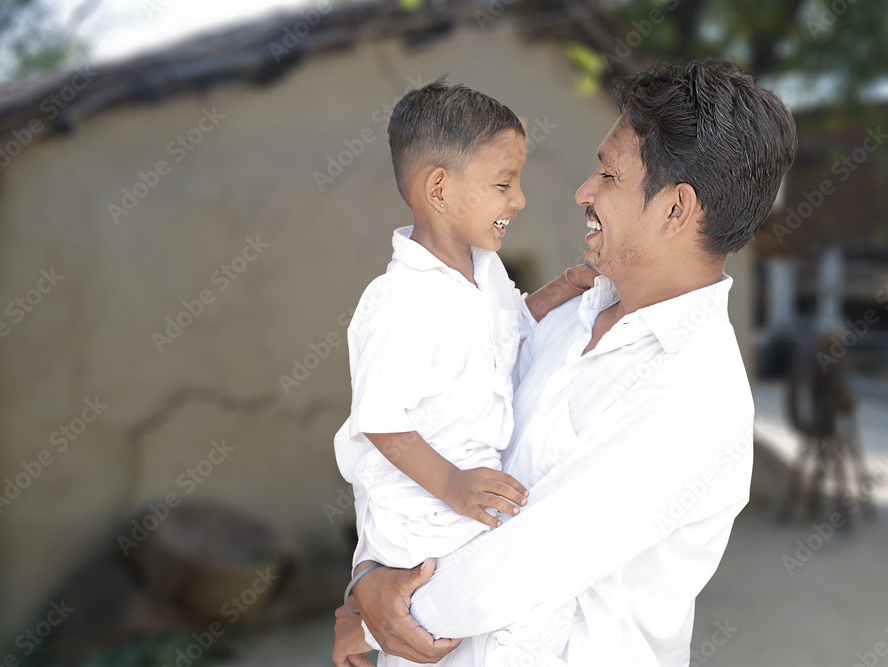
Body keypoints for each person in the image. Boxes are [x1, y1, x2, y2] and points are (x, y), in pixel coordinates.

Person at [333, 59, 798, 667]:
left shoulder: (697, 396)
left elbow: (515, 570)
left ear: (676, 210)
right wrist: (367, 570)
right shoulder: (558, 319)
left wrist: (368, 620)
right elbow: (420, 435)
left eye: (609, 173)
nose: (584, 190)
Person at [332, 77, 599, 666]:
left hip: (468, 510)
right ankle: (362, 627)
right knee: (434, 633)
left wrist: (555, 292)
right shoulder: (399, 301)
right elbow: (380, 421)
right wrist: (451, 483)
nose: (520, 200)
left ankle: (362, 627)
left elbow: (507, 333)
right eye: (504, 184)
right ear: (439, 190)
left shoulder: (487, 272)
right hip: (422, 519)